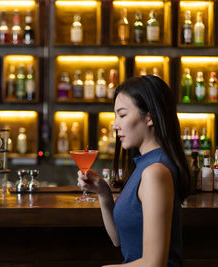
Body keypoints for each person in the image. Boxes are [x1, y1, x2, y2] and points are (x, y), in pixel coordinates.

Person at [77, 75, 191, 266]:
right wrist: (103, 193)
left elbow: (154, 264)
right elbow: (119, 240)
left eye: (122, 115)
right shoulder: (143, 165)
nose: (115, 125)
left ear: (150, 117)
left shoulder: (155, 172)